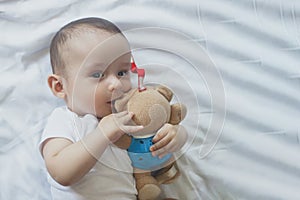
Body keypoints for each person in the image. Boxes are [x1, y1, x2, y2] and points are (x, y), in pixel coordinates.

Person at [39, 17, 188, 200]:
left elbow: (150, 148)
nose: (116, 84)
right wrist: (102, 134)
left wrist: (175, 136)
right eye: (97, 74)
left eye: (122, 72)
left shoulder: (128, 118)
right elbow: (61, 173)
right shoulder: (65, 119)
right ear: (60, 86)